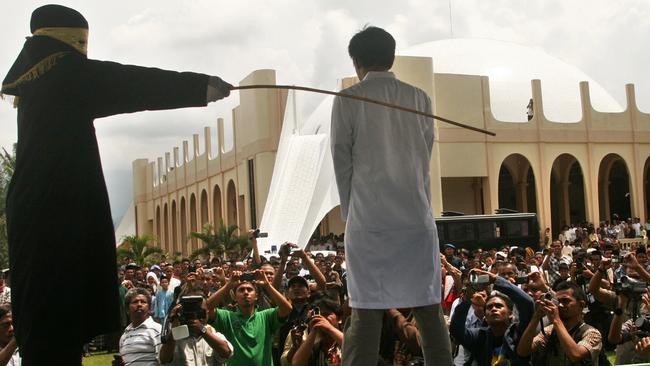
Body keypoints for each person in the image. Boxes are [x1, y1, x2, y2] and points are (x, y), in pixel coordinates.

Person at [1, 5, 232, 364]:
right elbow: (131, 82)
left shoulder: (36, 86)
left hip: (36, 217)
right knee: (59, 326)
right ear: (67, 41)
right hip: (57, 217)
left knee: (47, 325)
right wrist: (201, 86)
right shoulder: (63, 75)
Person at [330, 26, 451, 365]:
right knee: (429, 311)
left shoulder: (347, 100)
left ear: (356, 62)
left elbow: (341, 160)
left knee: (366, 314)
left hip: (369, 224)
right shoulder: (419, 99)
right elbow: (422, 161)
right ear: (391, 56)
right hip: (415, 221)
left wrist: (351, 214)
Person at [450, 269, 534, 365]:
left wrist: (495, 279)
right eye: (489, 307)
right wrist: (466, 299)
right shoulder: (479, 337)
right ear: (485, 316)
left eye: (499, 306)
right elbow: (456, 330)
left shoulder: (517, 333)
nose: (494, 309)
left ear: (510, 314)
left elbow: (528, 304)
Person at [208, 270, 292, 365]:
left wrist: (267, 285)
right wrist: (228, 285)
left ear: (256, 296)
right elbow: (208, 308)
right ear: (234, 297)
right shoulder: (227, 317)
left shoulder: (266, 316)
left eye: (249, 289)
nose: (246, 292)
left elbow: (287, 308)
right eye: (241, 290)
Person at [517, 281, 602, 365]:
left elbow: (575, 355)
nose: (560, 305)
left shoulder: (591, 333)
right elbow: (523, 352)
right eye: (558, 301)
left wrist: (556, 320)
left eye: (566, 301)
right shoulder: (550, 331)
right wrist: (536, 317)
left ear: (581, 305)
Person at [159, 294, 233, 365]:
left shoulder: (213, 334)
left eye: (200, 311)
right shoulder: (175, 337)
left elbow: (227, 353)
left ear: (207, 312)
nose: (195, 315)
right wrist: (174, 323)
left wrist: (203, 331)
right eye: (188, 311)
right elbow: (164, 359)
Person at [117, 288, 163, 366]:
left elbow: (164, 361)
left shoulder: (157, 330)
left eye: (143, 302)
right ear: (127, 309)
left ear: (149, 308)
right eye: (135, 302)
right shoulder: (125, 335)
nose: (139, 304)